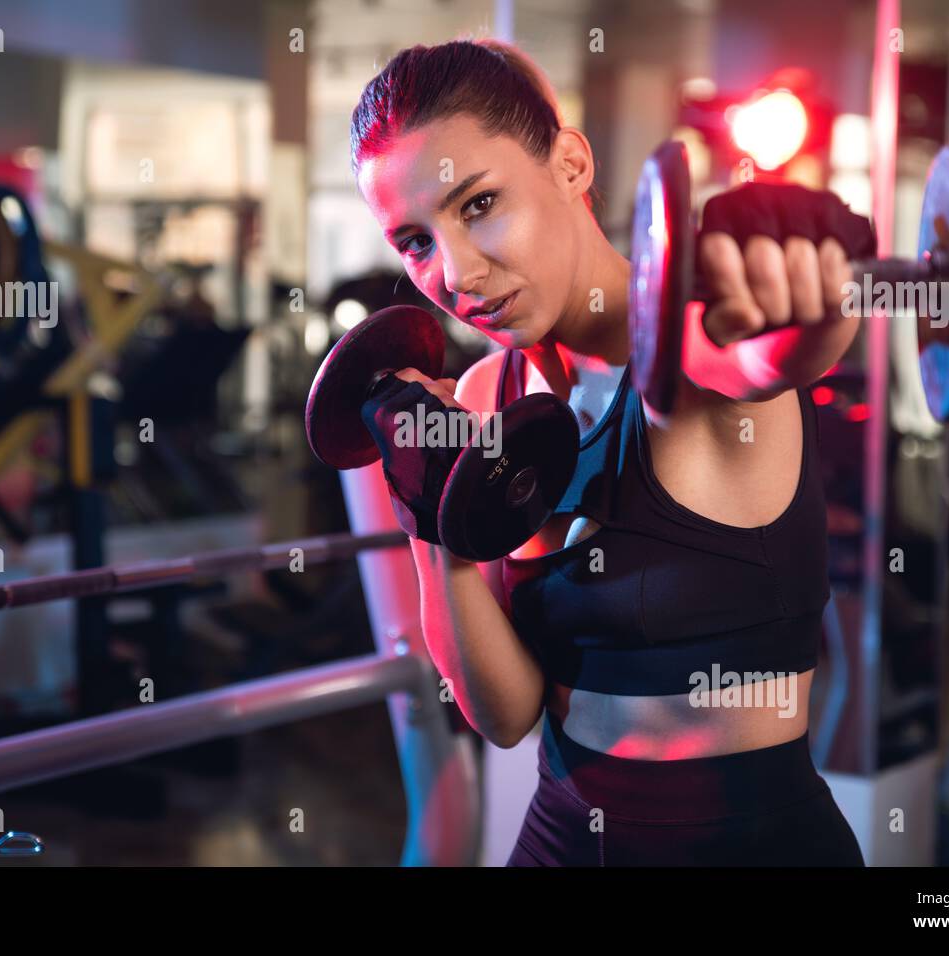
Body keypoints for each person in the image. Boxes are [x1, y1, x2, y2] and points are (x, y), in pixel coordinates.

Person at [349, 37, 866, 866]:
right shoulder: (487, 397)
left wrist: (809, 301)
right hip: (559, 840)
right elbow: (507, 715)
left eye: (479, 204)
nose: (455, 273)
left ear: (571, 165)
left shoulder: (691, 351)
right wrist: (429, 520)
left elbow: (771, 355)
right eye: (415, 241)